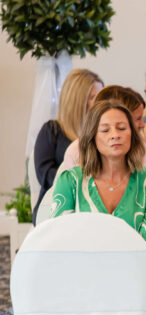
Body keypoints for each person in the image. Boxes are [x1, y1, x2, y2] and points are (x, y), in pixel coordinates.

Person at [51, 100, 146, 256]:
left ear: (132, 134)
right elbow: (60, 240)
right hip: (80, 269)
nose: (115, 135)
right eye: (105, 130)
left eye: (122, 128)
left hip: (134, 269)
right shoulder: (70, 181)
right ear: (92, 136)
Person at [33, 69, 102, 221]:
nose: (100, 104)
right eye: (93, 97)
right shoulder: (52, 131)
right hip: (56, 206)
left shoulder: (102, 135)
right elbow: (44, 174)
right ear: (78, 100)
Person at [59, 85, 146, 176]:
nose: (115, 135)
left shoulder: (144, 150)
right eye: (138, 119)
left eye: (122, 128)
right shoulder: (76, 151)